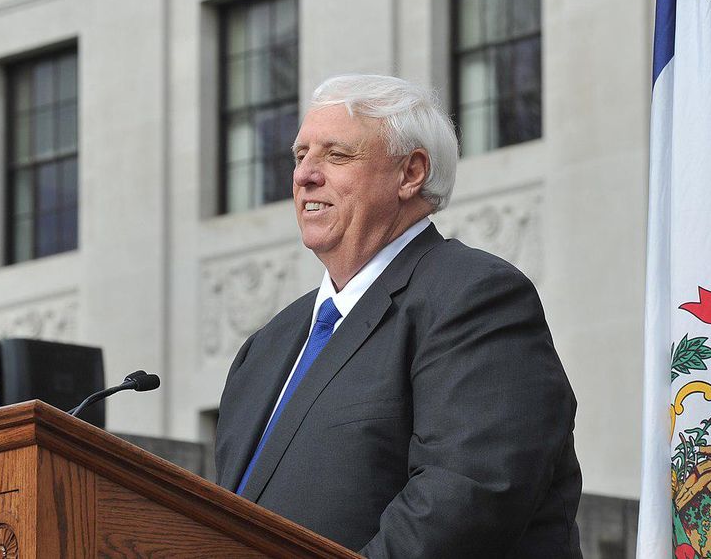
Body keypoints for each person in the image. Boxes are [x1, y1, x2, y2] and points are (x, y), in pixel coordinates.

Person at [214, 74, 582, 557]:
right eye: (300, 155)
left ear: (410, 174)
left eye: (336, 155)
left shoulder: (476, 297)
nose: (305, 174)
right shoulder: (267, 345)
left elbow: (465, 500)